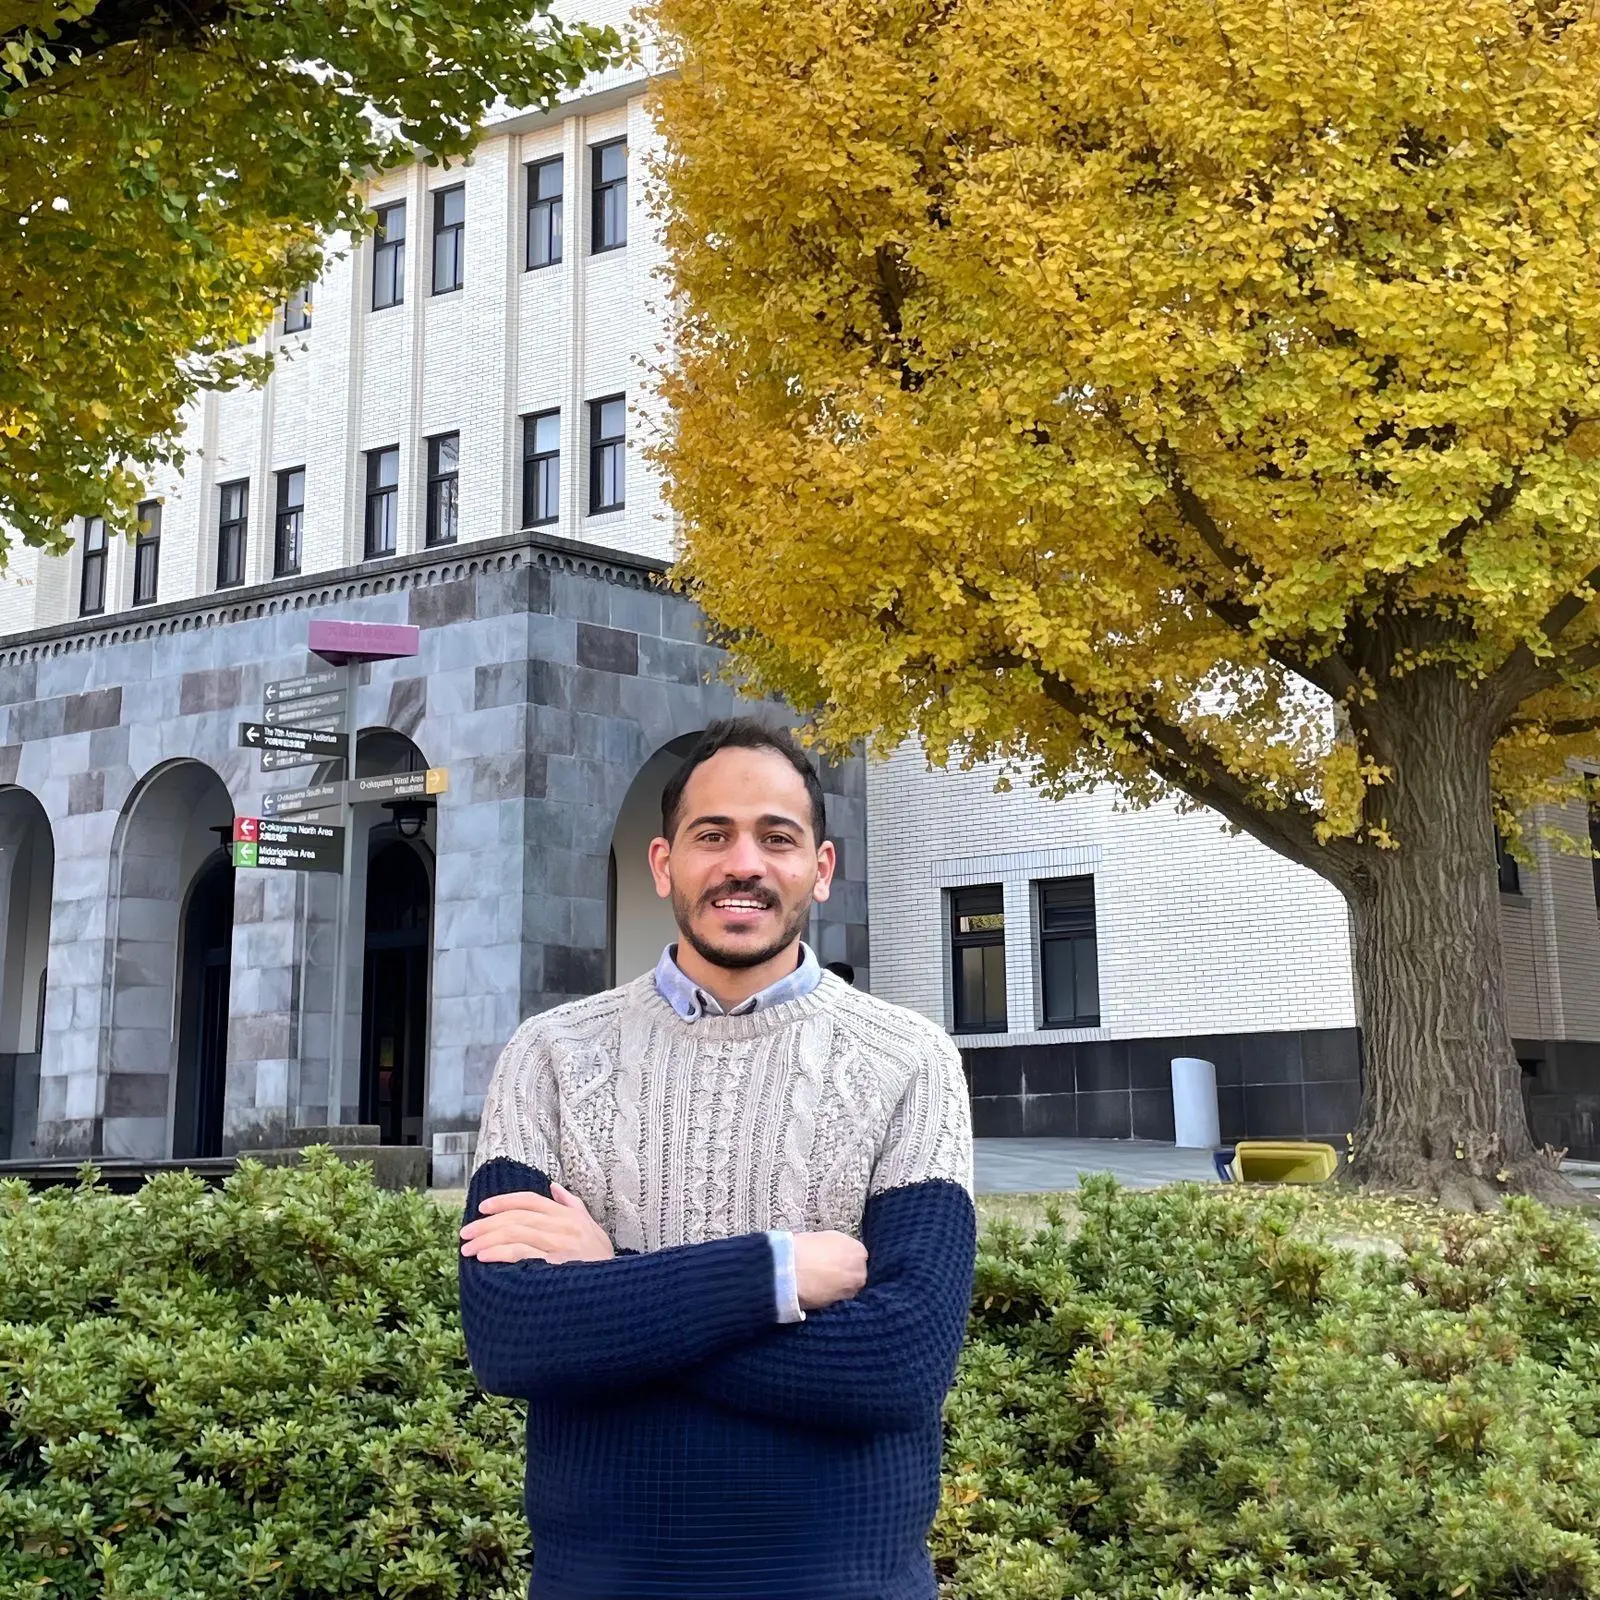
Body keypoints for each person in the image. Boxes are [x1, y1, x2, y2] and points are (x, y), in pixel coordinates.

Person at [459, 717, 975, 1600]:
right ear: (664, 864)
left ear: (821, 867)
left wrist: (610, 1283)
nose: (744, 864)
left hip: (845, 1584)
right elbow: (513, 1339)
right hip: (603, 1584)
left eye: (777, 837)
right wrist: (774, 1276)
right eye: (712, 835)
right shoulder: (549, 1055)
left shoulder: (910, 1061)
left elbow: (898, 1366)